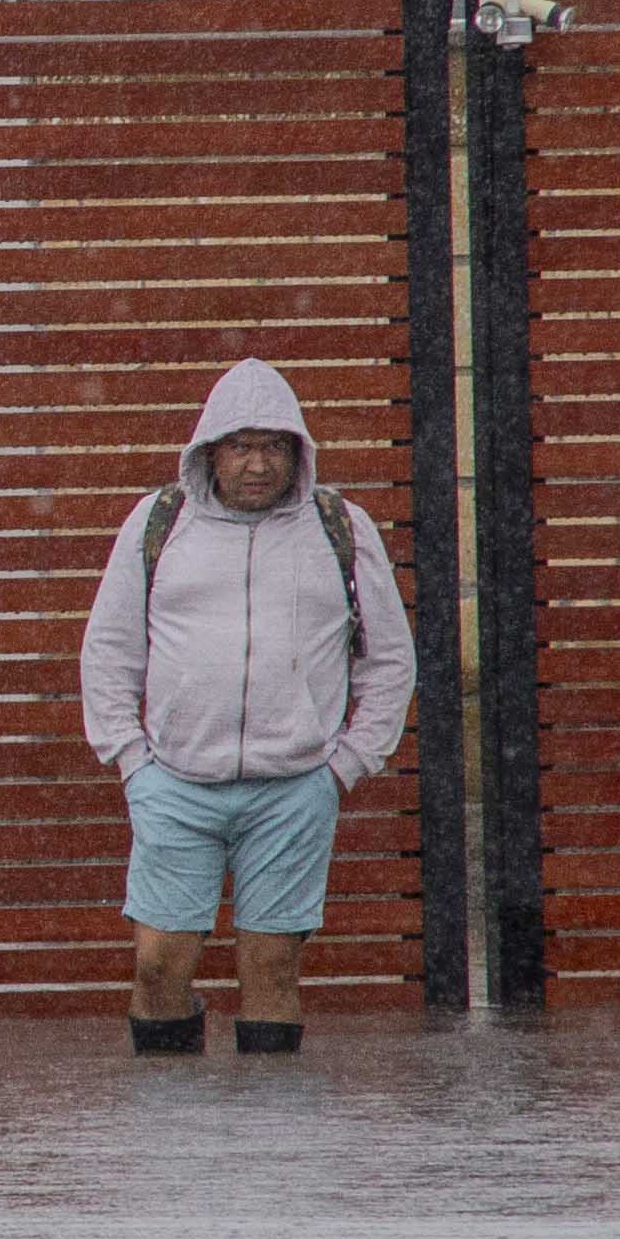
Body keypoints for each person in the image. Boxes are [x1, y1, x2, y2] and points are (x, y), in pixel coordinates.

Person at [77, 357, 417, 1056]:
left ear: (299, 452)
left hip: (294, 789)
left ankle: (273, 1144)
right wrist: (133, 761)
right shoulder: (159, 523)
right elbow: (109, 649)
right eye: (240, 447)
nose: (257, 465)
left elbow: (389, 659)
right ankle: (170, 1129)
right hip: (174, 783)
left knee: (270, 967)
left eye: (274, 446)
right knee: (158, 963)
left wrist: (344, 766)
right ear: (210, 452)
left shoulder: (340, 530)